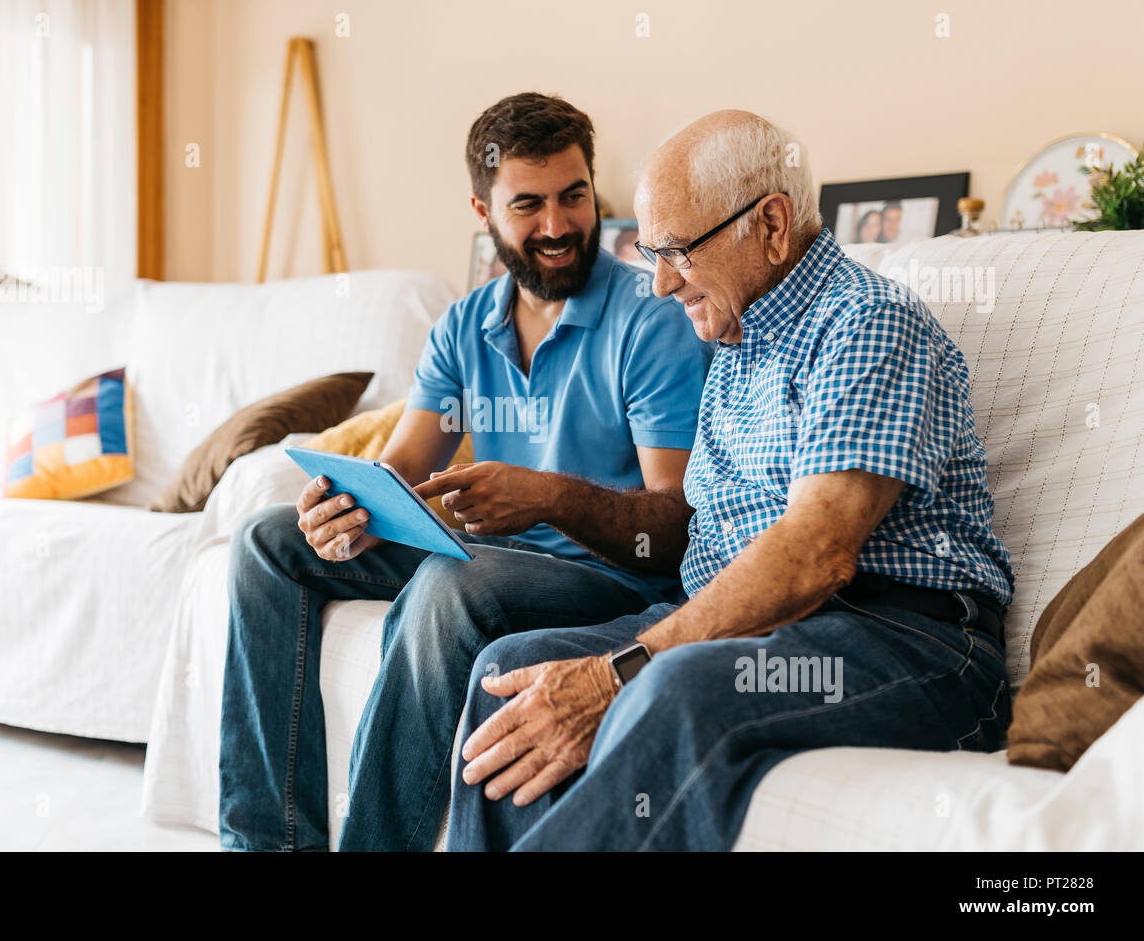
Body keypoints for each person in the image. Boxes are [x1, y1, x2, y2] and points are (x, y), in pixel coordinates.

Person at [447, 109, 1014, 851]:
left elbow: (817, 553)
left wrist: (620, 671)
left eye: (676, 251)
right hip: (764, 628)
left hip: (906, 638)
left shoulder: (866, 324)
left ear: (772, 225)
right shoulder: (733, 334)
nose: (657, 284)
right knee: (510, 668)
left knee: (673, 690)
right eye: (650, 253)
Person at [218, 92, 713, 851]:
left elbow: (673, 527)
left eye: (573, 196)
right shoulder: (464, 326)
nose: (557, 226)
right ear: (483, 211)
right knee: (265, 544)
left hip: (614, 577)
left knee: (453, 584)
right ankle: (269, 843)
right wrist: (339, 508)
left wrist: (549, 498)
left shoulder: (649, 320)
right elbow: (401, 472)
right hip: (491, 555)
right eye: (529, 205)